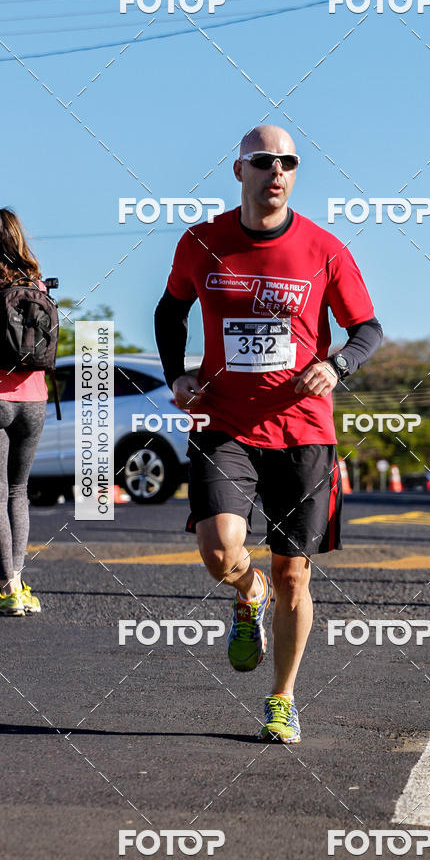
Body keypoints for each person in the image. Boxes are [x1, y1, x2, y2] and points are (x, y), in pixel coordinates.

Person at [155, 125, 382, 743]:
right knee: (219, 552)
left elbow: (367, 328)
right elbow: (170, 311)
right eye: (262, 161)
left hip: (304, 431)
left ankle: (281, 699)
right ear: (240, 171)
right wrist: (176, 375)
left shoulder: (324, 249)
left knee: (294, 576)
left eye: (288, 161)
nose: (275, 171)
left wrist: (337, 366)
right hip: (224, 422)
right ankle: (246, 591)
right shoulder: (201, 242)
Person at [0, 209, 48, 617]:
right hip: (34, 400)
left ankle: (7, 591)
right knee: (19, 492)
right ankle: (19, 585)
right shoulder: (36, 283)